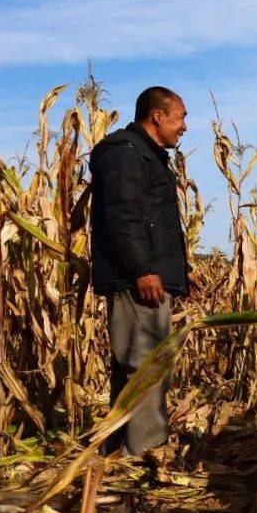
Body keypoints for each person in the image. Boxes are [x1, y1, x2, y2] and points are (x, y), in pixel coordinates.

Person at [89, 86, 198, 456]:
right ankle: (147, 451)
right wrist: (142, 270)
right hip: (137, 281)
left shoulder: (143, 155)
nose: (184, 127)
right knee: (147, 365)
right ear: (157, 116)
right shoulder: (127, 155)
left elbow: (154, 223)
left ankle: (119, 450)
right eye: (180, 118)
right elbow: (124, 216)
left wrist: (180, 270)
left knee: (136, 365)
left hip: (146, 275)